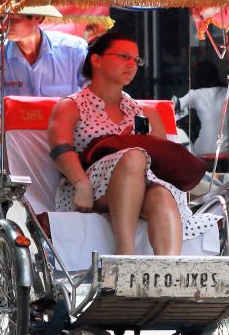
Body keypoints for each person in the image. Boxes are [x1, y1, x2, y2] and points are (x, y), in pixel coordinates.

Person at [48, 31, 219, 256]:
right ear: (96, 60)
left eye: (136, 60)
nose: (132, 64)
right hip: (90, 187)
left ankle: (168, 273)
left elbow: (160, 160)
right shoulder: (71, 106)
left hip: (144, 185)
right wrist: (81, 183)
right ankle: (126, 256)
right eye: (123, 56)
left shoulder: (145, 112)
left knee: (161, 196)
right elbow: (60, 149)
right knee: (134, 156)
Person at [0, 5, 86, 172]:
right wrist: (4, 134)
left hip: (67, 144)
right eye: (1, 18)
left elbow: (92, 97)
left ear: (37, 17)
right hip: (14, 146)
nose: (4, 25)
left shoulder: (74, 50)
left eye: (13, 20)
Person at [175, 60, 229, 158]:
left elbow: (174, 105)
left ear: (196, 77)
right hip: (228, 149)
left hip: (204, 149)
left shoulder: (195, 94)